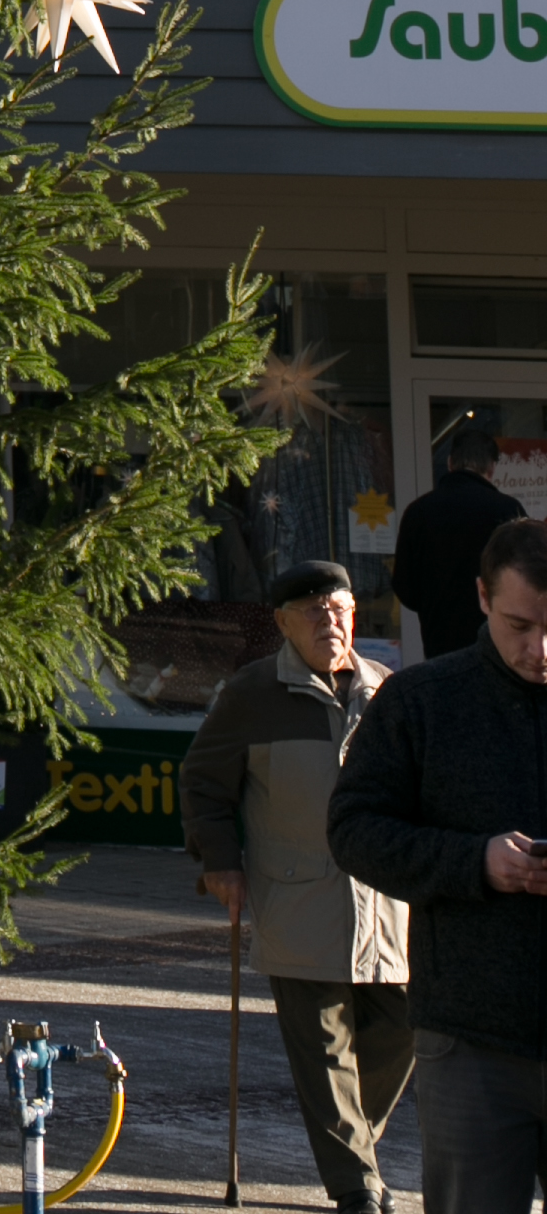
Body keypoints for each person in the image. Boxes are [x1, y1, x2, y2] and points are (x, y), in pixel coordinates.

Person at [331, 512, 547, 1214]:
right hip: (470, 1040)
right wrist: (473, 862)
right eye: (521, 625)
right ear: (483, 598)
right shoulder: (424, 701)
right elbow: (353, 830)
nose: (542, 648)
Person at [183, 556, 411, 1214]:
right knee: (323, 1053)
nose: (328, 622)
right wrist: (219, 860)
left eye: (338, 610)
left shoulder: (388, 692)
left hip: (386, 907)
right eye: (312, 612)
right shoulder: (253, 695)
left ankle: (354, 1149)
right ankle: (358, 1188)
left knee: (399, 1035)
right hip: (298, 900)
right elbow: (202, 783)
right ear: (282, 623)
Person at [396, 434, 523, 664]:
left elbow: (405, 587)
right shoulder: (508, 511)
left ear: (450, 463)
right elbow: (528, 580)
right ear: (492, 467)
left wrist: (434, 602)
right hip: (497, 647)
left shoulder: (418, 512)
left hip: (440, 644)